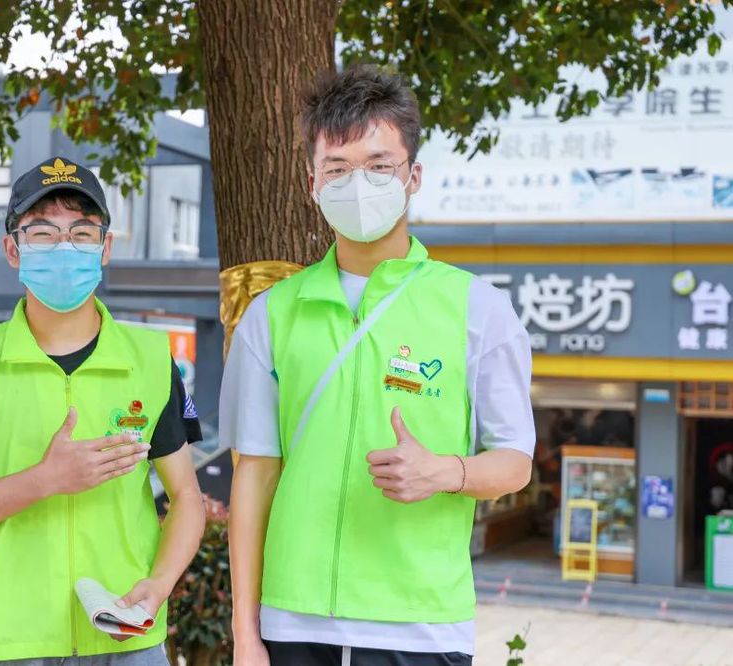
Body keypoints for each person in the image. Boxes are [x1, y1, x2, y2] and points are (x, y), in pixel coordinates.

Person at [223, 66, 536, 666]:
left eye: (378, 165)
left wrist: (445, 472)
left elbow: (515, 462)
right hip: (292, 620)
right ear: (312, 183)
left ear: (413, 177)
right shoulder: (272, 314)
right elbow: (255, 475)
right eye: (337, 168)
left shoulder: (478, 309)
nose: (357, 184)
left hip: (421, 627)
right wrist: (245, 634)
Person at [0, 157, 206, 666]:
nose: (65, 247)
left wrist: (158, 586)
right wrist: (44, 480)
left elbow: (188, 499)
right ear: (12, 249)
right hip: (10, 645)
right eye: (42, 232)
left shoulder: (152, 360)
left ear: (105, 247)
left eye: (82, 232)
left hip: (126, 637)